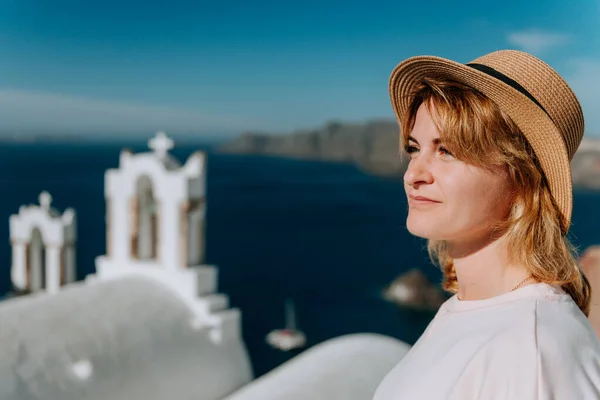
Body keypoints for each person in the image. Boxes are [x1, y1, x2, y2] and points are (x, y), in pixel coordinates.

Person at [372, 50, 600, 399]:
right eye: (415, 148)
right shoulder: (475, 311)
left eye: (447, 150)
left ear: (522, 180)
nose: (412, 174)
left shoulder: (532, 353)